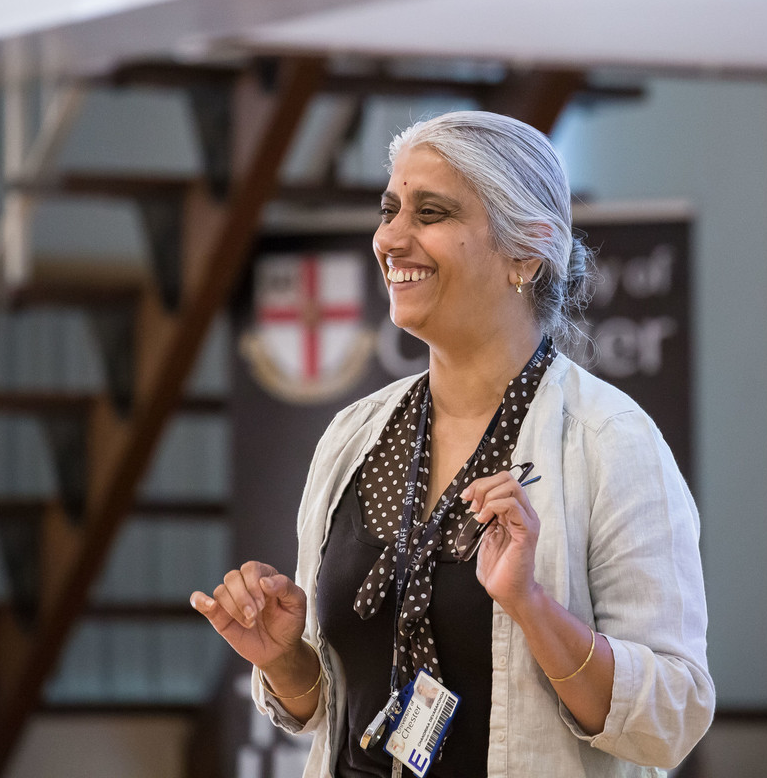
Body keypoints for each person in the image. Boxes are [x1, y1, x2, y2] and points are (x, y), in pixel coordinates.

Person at [191, 110, 714, 777]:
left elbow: (673, 717)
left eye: (431, 213)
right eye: (390, 209)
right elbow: (338, 707)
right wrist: (280, 656)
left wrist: (533, 606)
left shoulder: (612, 442)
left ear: (527, 251)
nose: (391, 238)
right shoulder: (356, 437)